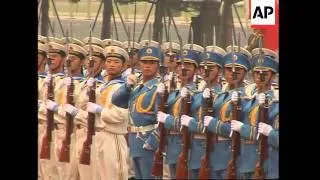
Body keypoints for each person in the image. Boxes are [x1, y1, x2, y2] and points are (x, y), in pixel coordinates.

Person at [111, 41, 163, 179]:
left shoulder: (159, 87)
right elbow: (116, 100)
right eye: (144, 62)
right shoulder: (136, 85)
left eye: (151, 62)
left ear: (158, 65)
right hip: (134, 139)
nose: (147, 66)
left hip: (147, 139)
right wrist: (127, 86)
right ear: (139, 63)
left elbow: (162, 119)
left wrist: (153, 141)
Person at [202, 45, 252, 179]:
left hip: (231, 153)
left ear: (245, 72)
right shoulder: (220, 95)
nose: (232, 73)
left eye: (238, 70)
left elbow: (233, 129)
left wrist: (212, 123)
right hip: (214, 152)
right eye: (229, 69)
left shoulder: (246, 98)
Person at [178, 44, 226, 179]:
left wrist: (191, 123)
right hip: (194, 150)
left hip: (213, 150)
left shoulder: (222, 96)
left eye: (210, 68)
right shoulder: (195, 94)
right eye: (203, 68)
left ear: (219, 71)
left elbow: (214, 127)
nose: (206, 71)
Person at [230, 47, 279, 179]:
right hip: (245, 161)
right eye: (257, 72)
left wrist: (270, 132)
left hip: (267, 164)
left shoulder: (276, 102)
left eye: (265, 73)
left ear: (273, 76)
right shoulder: (248, 100)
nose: (259, 76)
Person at [156, 44, 202, 178]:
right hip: (172, 145)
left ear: (196, 70)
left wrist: (168, 120)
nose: (184, 68)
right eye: (180, 65)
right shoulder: (172, 93)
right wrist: (160, 98)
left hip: (188, 146)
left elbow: (188, 122)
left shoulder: (198, 94)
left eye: (188, 65)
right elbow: (158, 116)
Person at [38, 41, 67, 180]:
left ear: (63, 59)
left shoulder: (65, 81)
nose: (51, 59)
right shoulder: (45, 80)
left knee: (56, 172)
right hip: (43, 127)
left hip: (57, 129)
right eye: (49, 56)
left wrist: (42, 107)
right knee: (43, 171)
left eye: (55, 56)